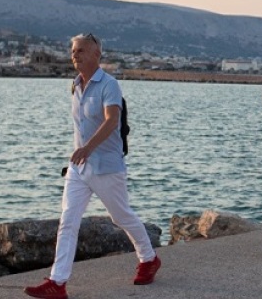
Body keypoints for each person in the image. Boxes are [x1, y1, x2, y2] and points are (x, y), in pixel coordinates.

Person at [24, 33, 160, 299]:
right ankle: (57, 282)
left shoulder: (109, 85)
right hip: (78, 168)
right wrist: (80, 153)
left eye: (81, 50)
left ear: (97, 54)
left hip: (106, 166)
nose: (75, 55)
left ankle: (149, 258)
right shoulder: (75, 85)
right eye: (74, 51)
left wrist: (88, 148)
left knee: (121, 217)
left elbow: (112, 121)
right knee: (68, 221)